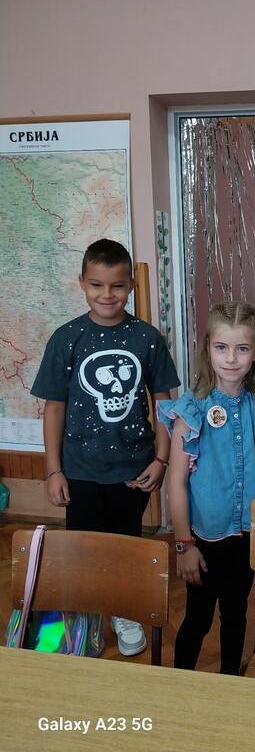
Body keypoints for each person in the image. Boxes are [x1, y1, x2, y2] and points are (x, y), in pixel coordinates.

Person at [31, 238, 180, 657]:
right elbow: (54, 408)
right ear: (82, 282)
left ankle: (123, 610)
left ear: (131, 284)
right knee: (82, 548)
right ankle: (83, 619)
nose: (107, 295)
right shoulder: (67, 338)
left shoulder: (148, 338)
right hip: (79, 470)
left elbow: (165, 405)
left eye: (116, 285)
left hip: (133, 469)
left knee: (124, 545)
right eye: (97, 285)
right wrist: (53, 470)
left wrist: (162, 459)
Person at [158, 302, 255, 674]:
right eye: (222, 347)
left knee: (236, 614)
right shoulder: (192, 410)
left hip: (246, 536)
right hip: (204, 539)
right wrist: (184, 545)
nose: (231, 358)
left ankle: (230, 681)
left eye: (242, 348)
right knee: (198, 617)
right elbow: (176, 482)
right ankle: (181, 685)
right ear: (208, 349)